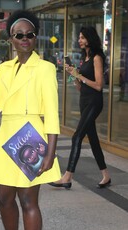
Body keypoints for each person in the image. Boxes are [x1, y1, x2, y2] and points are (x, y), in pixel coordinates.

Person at [0, 9, 61, 230]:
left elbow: (52, 113)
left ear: (35, 37)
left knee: (28, 202)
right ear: (11, 39)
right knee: (4, 199)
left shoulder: (45, 68)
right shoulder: (3, 68)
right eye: (19, 35)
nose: (25, 39)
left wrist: (51, 152)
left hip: (30, 139)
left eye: (30, 35)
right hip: (7, 137)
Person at [49, 26, 111, 190]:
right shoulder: (86, 58)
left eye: (82, 37)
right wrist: (73, 75)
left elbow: (99, 86)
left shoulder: (97, 58)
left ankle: (67, 177)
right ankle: (106, 175)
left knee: (76, 137)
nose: (79, 40)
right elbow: (80, 87)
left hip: (94, 102)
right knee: (94, 140)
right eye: (79, 37)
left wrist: (79, 75)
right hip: (84, 101)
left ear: (89, 39)